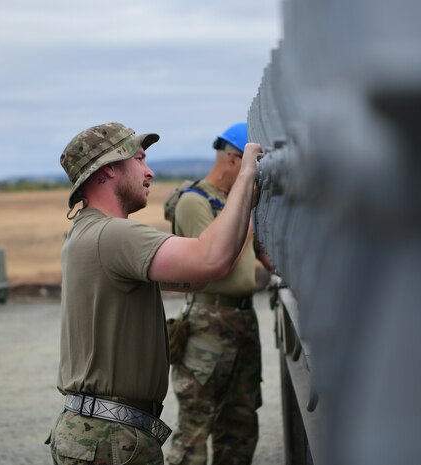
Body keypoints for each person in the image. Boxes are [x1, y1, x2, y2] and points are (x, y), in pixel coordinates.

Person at [46, 121, 261, 465]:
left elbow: (199, 277)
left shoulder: (86, 233)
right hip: (110, 438)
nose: (150, 172)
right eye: (140, 160)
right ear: (109, 170)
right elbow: (210, 260)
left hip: (100, 433)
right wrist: (248, 174)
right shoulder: (113, 236)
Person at [166, 122, 273, 465]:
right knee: (196, 427)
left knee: (240, 424)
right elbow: (214, 263)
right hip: (208, 324)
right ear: (232, 159)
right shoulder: (194, 202)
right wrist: (246, 214)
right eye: (251, 164)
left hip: (243, 318)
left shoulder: (237, 203)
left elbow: (264, 254)